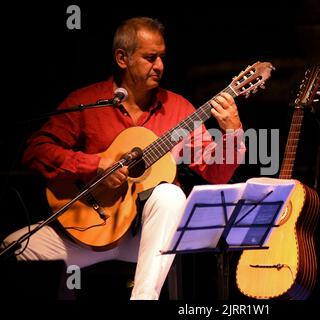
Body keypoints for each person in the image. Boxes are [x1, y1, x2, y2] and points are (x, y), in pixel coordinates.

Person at [1, 17, 246, 300]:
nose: (160, 66)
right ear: (122, 58)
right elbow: (36, 150)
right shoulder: (88, 101)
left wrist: (232, 132)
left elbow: (216, 173)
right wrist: (96, 165)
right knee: (13, 249)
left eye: (162, 58)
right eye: (150, 58)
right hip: (86, 232)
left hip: (144, 238)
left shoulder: (179, 110)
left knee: (169, 195)